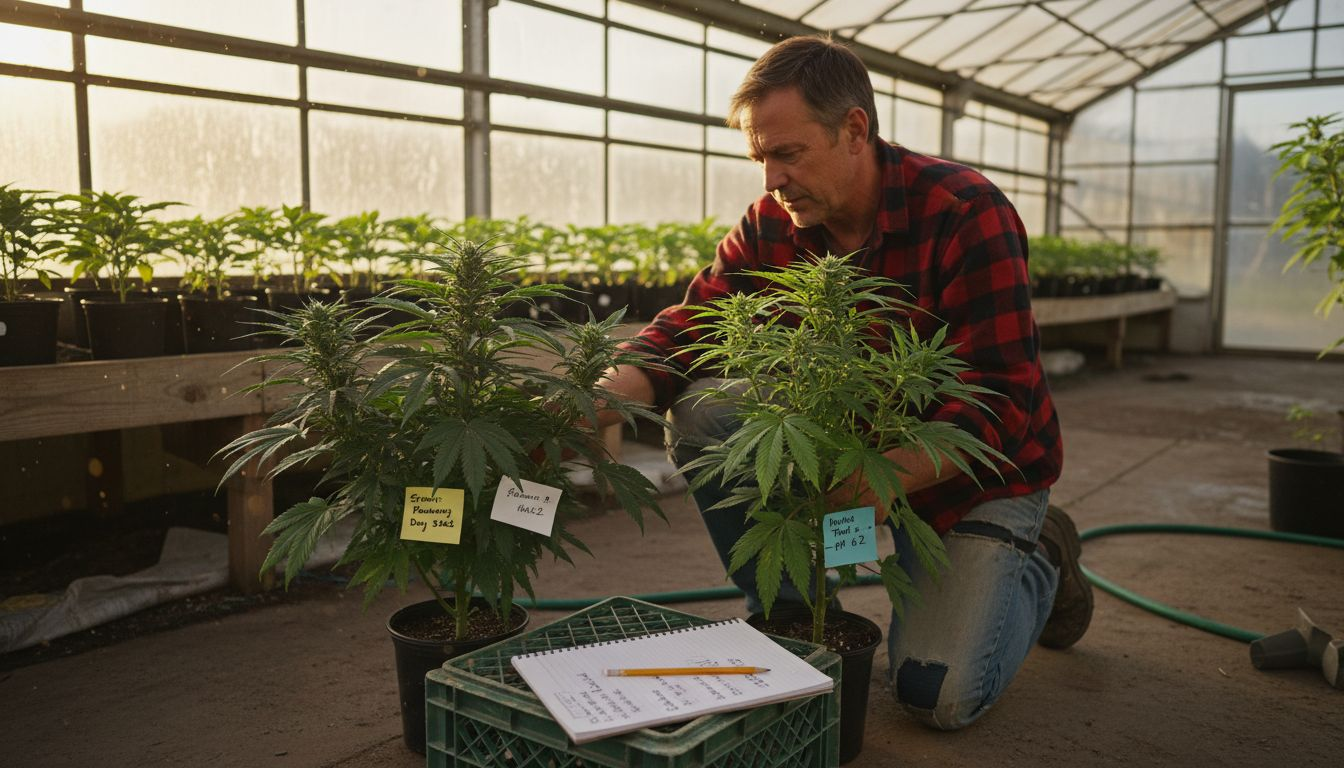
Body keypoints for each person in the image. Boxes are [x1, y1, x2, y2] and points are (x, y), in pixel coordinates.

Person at [597, 34, 1091, 731]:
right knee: (705, 410)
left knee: (935, 693)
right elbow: (697, 318)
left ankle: (1041, 556)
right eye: (760, 158)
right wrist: (607, 395)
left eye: (787, 153)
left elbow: (1001, 399)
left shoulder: (964, 211)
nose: (771, 179)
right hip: (848, 456)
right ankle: (794, 610)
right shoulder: (773, 222)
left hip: (972, 480)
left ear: (854, 129)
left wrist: (882, 482)